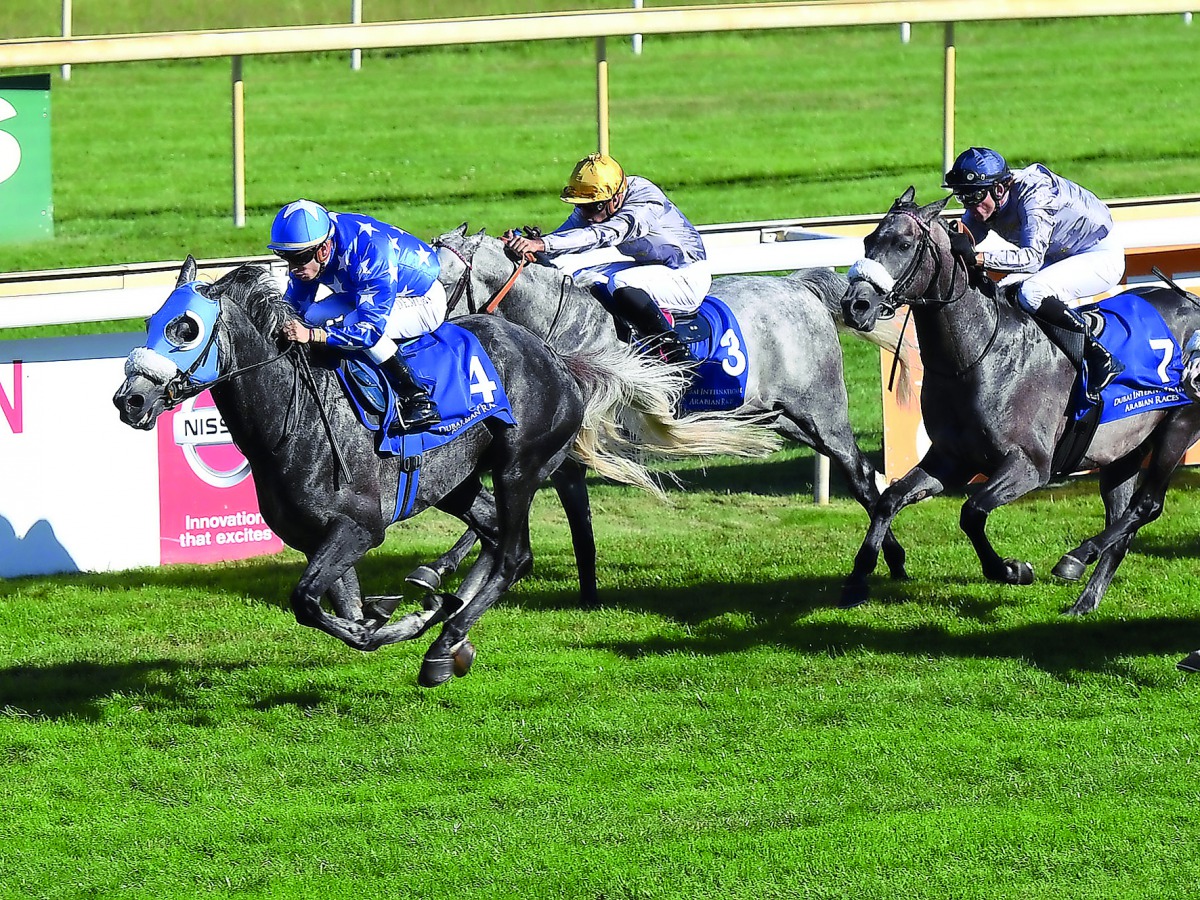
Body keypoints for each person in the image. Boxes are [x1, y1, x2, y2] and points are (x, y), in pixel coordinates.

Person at [943, 147, 1126, 403]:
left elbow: (1031, 259)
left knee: (1032, 291)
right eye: (963, 198)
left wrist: (979, 258)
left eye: (974, 197)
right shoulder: (989, 198)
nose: (970, 206)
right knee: (1002, 293)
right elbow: (967, 236)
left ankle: (1100, 358)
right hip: (1060, 254)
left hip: (1098, 253)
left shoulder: (1035, 195)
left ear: (998, 189)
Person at [502, 152, 710, 366]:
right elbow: (563, 239)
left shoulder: (645, 203)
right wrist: (532, 246)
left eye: (592, 207)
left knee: (621, 282)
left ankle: (674, 355)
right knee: (576, 276)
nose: (586, 214)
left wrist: (543, 244)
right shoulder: (597, 203)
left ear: (616, 198)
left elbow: (602, 235)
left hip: (686, 275)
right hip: (650, 269)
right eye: (581, 206)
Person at [268, 199, 445, 432]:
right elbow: (295, 308)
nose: (292, 267)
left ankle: (418, 399)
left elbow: (369, 331)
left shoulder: (371, 251)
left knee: (353, 324)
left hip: (421, 299)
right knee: (313, 314)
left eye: (299, 258)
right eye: (286, 257)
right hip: (361, 292)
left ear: (323, 250)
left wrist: (313, 335)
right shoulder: (313, 250)